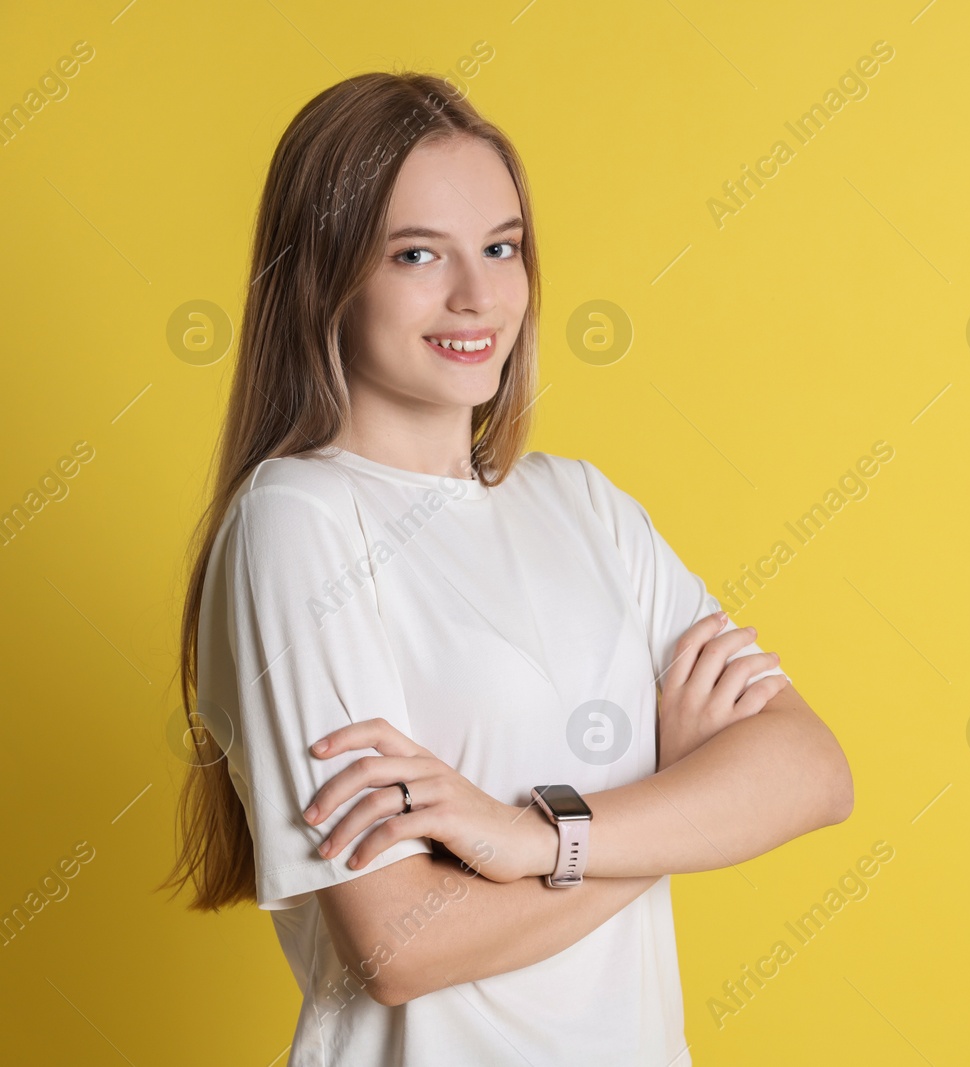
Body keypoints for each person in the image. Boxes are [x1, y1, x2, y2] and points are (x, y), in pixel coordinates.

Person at [158, 71, 854, 1067]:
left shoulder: (584, 504)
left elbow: (815, 773)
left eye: (501, 246)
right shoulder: (299, 522)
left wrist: (533, 836)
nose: (478, 295)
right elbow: (401, 943)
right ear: (325, 277)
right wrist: (670, 794)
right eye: (416, 254)